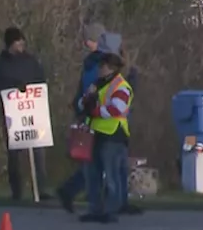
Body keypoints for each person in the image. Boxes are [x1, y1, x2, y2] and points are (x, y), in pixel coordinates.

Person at [56, 30, 144, 216]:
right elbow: (98, 100)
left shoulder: (105, 75)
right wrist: (91, 108)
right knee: (100, 170)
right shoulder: (100, 74)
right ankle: (103, 205)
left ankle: (112, 205)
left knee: (106, 170)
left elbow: (111, 101)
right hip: (103, 129)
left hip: (108, 129)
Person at [0, 27, 51, 202]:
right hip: (12, 115)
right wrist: (13, 85)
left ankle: (41, 188)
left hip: (34, 113)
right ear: (10, 43)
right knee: (15, 154)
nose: (21, 45)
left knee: (38, 152)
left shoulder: (31, 62)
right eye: (18, 42)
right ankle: (17, 191)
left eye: (22, 41)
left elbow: (41, 81)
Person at [78, 50, 134, 223]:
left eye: (102, 66)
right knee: (92, 174)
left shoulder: (121, 86)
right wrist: (87, 102)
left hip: (113, 135)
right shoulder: (97, 84)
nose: (99, 69)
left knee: (111, 176)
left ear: (111, 68)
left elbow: (117, 109)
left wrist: (94, 111)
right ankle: (95, 210)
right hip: (95, 134)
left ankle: (111, 211)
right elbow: (81, 103)